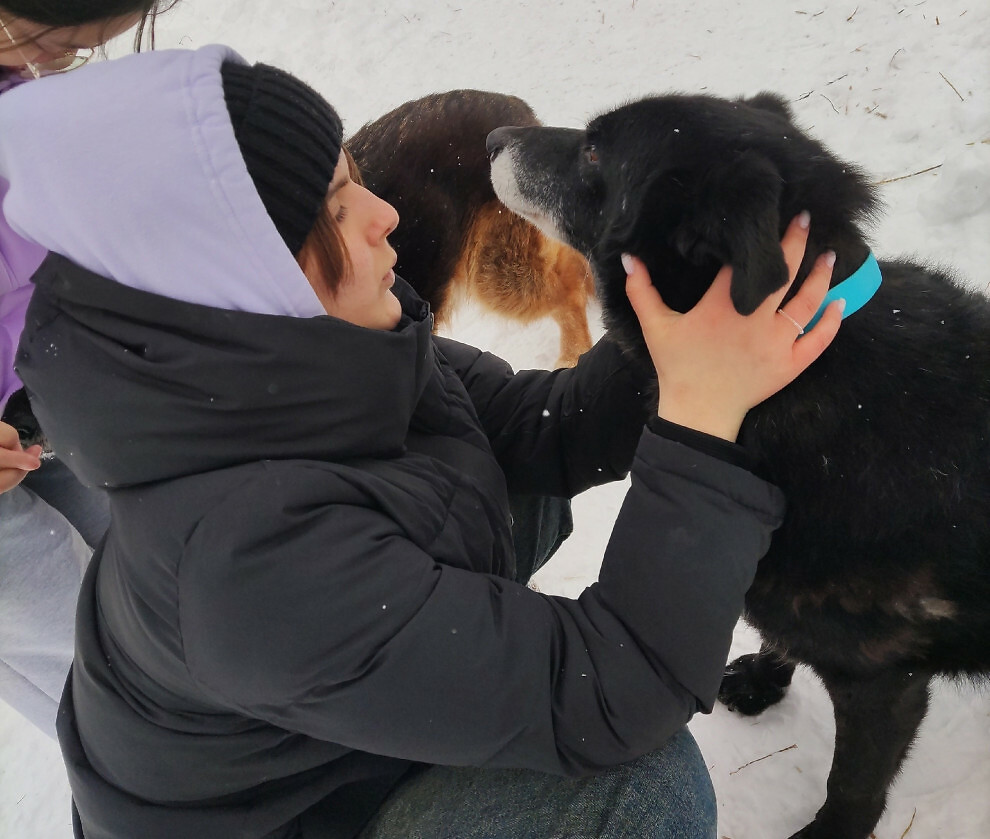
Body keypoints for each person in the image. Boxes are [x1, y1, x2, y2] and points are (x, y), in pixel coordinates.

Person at [0, 44, 840, 839]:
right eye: (332, 212)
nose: (383, 214)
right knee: (640, 786)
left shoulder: (306, 350)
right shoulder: (245, 561)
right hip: (293, 814)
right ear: (239, 283)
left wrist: (691, 337)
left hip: (322, 729)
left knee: (510, 488)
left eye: (353, 177)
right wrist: (702, 420)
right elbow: (612, 693)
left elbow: (532, 427)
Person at [0, 0, 177, 737]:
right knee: (95, 669)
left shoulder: (18, 91)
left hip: (37, 398)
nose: (60, 67)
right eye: (61, 45)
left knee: (155, 584)